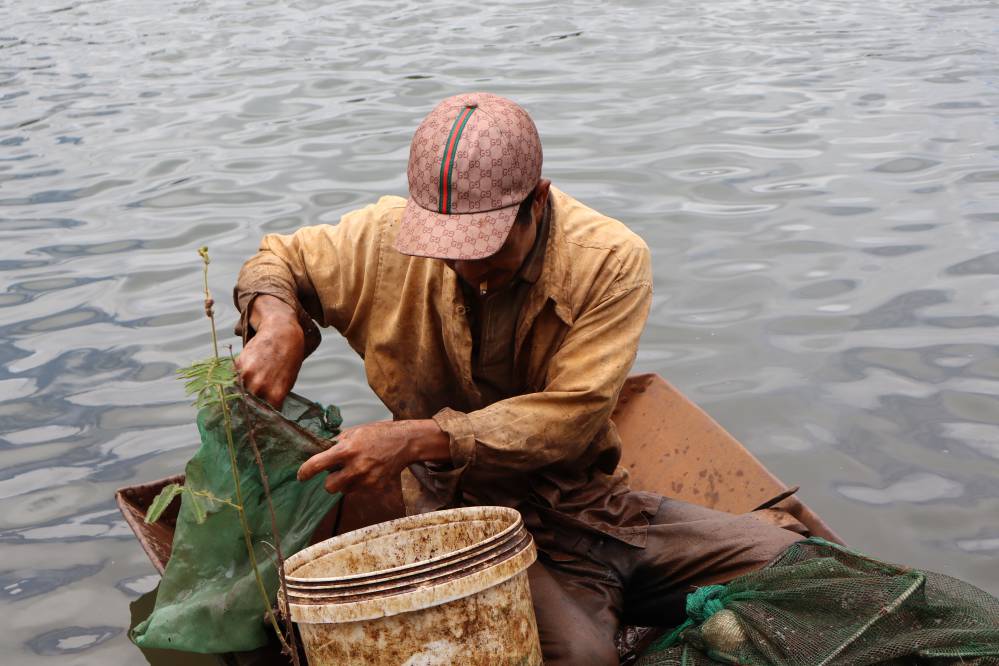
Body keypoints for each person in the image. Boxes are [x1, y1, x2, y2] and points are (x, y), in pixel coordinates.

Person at [233, 92, 803, 664]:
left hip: (592, 507)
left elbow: (572, 416)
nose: (469, 267)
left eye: (487, 246)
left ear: (538, 199)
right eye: (449, 250)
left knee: (799, 564)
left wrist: (413, 437)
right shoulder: (383, 240)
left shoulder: (609, 259)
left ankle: (614, 599)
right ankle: (591, 614)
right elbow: (278, 260)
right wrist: (278, 320)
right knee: (582, 657)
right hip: (458, 519)